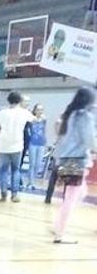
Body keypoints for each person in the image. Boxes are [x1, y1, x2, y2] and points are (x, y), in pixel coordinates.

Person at [52, 88, 96, 244]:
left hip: (64, 160)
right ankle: (59, 232)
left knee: (77, 193)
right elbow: (89, 139)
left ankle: (58, 225)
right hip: (77, 160)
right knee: (71, 198)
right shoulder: (84, 116)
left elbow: (59, 135)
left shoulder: (68, 115)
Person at [0, 92, 34, 203]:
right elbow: (33, 119)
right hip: (17, 145)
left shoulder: (3, 112)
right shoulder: (24, 112)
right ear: (20, 101)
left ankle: (3, 193)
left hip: (4, 145)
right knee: (16, 170)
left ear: (8, 100)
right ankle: (14, 194)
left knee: (3, 170)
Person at [25, 103, 47, 189]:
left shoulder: (44, 119)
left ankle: (33, 180)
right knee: (32, 164)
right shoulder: (31, 119)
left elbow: (44, 130)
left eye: (41, 109)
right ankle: (30, 182)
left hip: (41, 143)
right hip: (32, 142)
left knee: (38, 164)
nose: (40, 111)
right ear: (35, 110)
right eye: (38, 109)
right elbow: (28, 129)